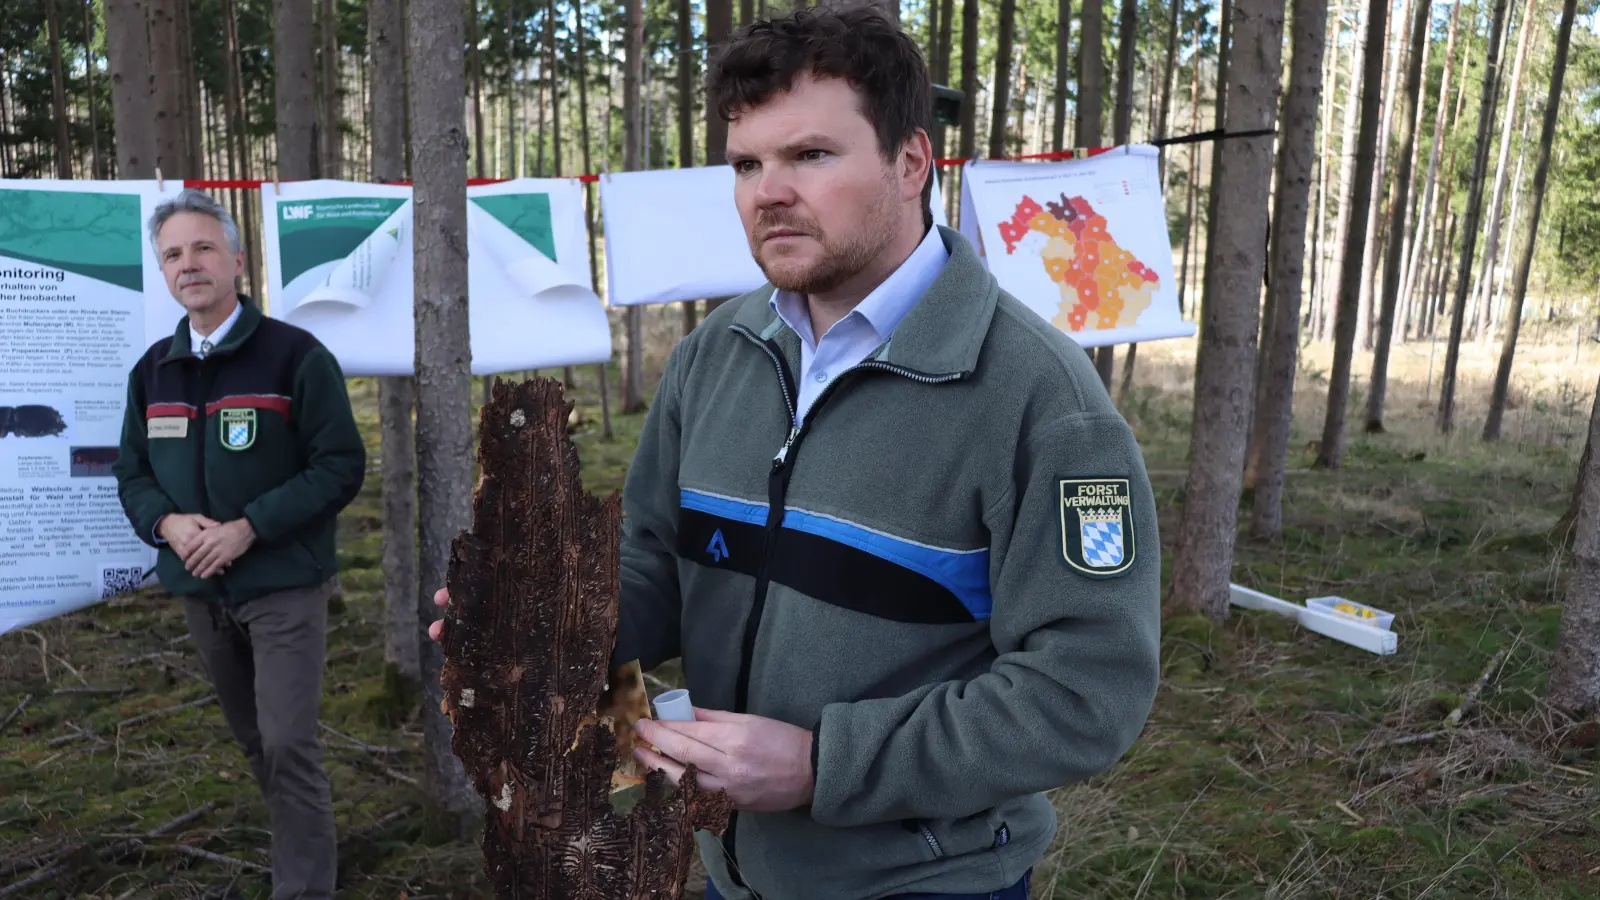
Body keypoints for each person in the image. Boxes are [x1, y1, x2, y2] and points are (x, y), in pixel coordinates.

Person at [433, 9, 1160, 899]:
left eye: (810, 155)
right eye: (747, 164)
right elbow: (658, 560)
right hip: (720, 866)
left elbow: (1087, 692)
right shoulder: (717, 354)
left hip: (923, 882)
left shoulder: (1039, 402)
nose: (767, 191)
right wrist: (549, 620)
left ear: (910, 162)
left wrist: (827, 765)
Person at [113, 188, 366, 900]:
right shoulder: (152, 372)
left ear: (236, 260)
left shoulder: (294, 357)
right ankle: (300, 842)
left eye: (201, 248)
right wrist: (168, 525)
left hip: (283, 583)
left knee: (288, 742)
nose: (187, 264)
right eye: (172, 255)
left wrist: (248, 527)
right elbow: (131, 473)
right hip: (201, 591)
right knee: (257, 744)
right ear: (163, 274)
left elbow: (340, 465)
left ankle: (305, 888)